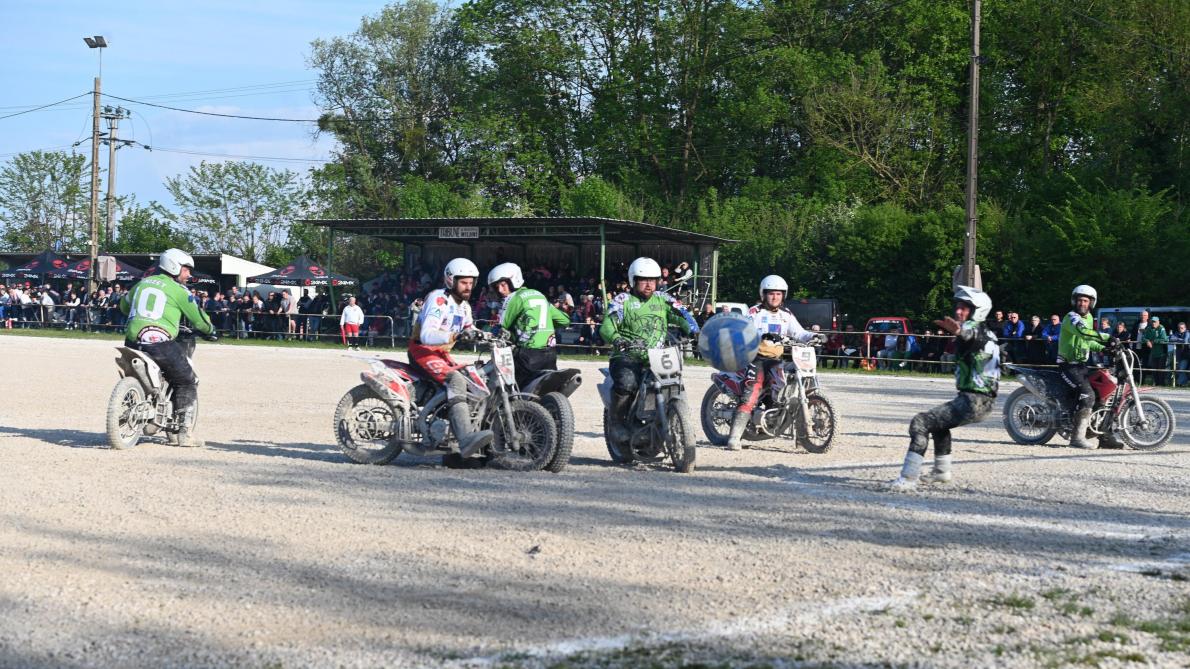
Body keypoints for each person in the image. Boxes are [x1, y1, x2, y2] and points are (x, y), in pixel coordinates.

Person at [890, 286, 999, 491]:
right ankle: (941, 472)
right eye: (958, 307)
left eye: (965, 308)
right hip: (982, 401)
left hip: (973, 401)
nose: (959, 311)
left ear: (979, 310)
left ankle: (907, 479)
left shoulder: (975, 331)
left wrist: (959, 331)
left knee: (920, 422)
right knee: (938, 424)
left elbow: (971, 336)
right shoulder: (990, 333)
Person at [118, 248, 217, 448]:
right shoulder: (179, 291)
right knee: (187, 380)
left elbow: (123, 306)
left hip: (132, 341)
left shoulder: (140, 284)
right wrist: (210, 330)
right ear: (174, 266)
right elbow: (198, 318)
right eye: (186, 269)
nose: (189, 274)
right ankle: (184, 434)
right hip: (159, 343)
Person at [599, 257, 699, 444]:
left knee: (675, 383)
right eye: (644, 280)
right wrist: (617, 339)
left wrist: (694, 330)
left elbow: (682, 315)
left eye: (653, 280)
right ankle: (616, 422)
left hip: (658, 356)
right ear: (633, 280)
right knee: (627, 383)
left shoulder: (663, 299)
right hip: (627, 356)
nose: (649, 285)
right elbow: (606, 327)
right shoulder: (623, 300)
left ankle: (680, 422)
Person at [408, 258, 494, 458]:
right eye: (464, 282)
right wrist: (455, 336)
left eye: (471, 283)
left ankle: (457, 431)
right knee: (456, 380)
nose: (468, 287)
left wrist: (489, 336)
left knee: (473, 377)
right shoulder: (439, 299)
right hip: (422, 351)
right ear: (450, 280)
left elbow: (469, 328)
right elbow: (426, 335)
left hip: (441, 354)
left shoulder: (464, 306)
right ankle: (465, 440)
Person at [723, 275, 819, 450]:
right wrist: (760, 335)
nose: (775, 297)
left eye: (779, 294)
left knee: (784, 392)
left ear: (784, 296)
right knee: (751, 393)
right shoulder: (754, 312)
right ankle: (734, 437)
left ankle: (800, 435)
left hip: (776, 361)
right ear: (763, 294)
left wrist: (813, 336)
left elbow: (799, 333)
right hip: (755, 359)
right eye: (771, 294)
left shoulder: (786, 315)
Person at [487, 262, 570, 387]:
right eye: (496, 287)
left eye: (503, 285)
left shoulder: (513, 298)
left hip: (528, 356)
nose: (500, 290)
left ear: (513, 280)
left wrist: (486, 334)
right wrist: (544, 326)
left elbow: (501, 327)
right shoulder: (539, 295)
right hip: (550, 354)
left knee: (506, 386)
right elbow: (564, 320)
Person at [1057, 285, 1112, 449]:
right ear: (1075, 301)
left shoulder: (1089, 319)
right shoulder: (1071, 317)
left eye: (1086, 300)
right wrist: (1108, 337)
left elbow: (1088, 341)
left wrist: (1106, 348)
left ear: (1091, 303)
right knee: (1087, 394)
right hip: (1067, 365)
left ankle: (1104, 437)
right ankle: (1076, 438)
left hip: (1081, 365)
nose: (1082, 303)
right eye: (1080, 300)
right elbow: (1082, 332)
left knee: (1104, 393)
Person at [1142, 315, 1169, 386]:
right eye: (1152, 322)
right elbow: (1143, 337)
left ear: (1158, 322)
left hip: (1162, 353)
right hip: (1153, 352)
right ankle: (1156, 384)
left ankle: (1161, 384)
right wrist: (1147, 341)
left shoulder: (1161, 328)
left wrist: (1154, 341)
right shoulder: (1149, 328)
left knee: (1161, 369)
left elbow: (1164, 339)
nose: (1153, 323)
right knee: (1154, 369)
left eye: (1155, 322)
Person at [1170, 322, 1190, 387]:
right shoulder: (1176, 333)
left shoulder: (1187, 333)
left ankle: (1181, 383)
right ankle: (1183, 383)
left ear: (1185, 328)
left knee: (1181, 369)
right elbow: (1170, 339)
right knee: (1179, 369)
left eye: (1182, 328)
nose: (1180, 329)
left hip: (1186, 355)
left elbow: (1185, 341)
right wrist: (1179, 339)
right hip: (1178, 355)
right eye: (1179, 328)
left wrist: (1177, 340)